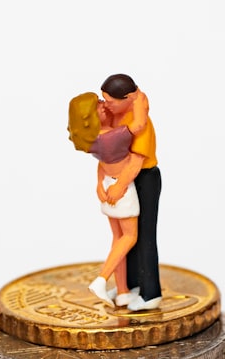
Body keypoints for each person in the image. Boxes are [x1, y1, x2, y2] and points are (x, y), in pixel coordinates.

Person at [68, 92, 144, 307]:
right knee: (130, 237)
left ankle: (122, 291)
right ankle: (101, 279)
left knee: (117, 239)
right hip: (121, 189)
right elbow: (138, 125)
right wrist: (138, 99)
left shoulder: (93, 140)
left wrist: (99, 183)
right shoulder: (113, 136)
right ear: (90, 116)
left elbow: (103, 164)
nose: (104, 105)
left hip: (107, 187)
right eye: (99, 105)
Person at [98, 74, 161, 311]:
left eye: (110, 101)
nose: (105, 105)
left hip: (144, 178)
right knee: (128, 238)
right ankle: (132, 285)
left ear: (127, 98)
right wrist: (102, 181)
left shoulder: (141, 123)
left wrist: (119, 185)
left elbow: (135, 162)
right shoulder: (117, 115)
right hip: (122, 180)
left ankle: (150, 293)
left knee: (144, 236)